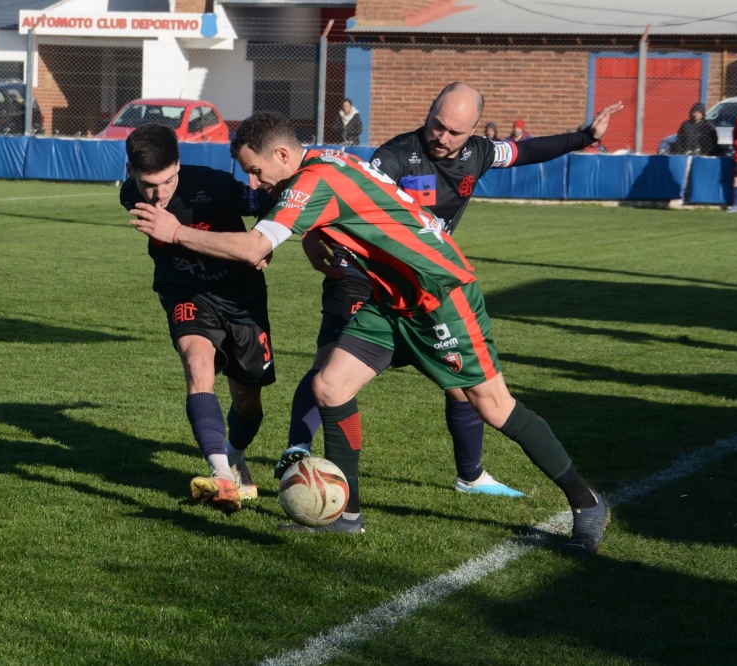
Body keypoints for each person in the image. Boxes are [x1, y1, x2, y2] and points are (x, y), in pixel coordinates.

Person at [128, 111, 611, 553]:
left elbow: (256, 245)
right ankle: (348, 513)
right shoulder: (324, 163)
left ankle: (587, 502)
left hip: (440, 296)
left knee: (493, 406)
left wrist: (176, 232)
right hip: (389, 299)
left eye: (255, 171)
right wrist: (321, 238)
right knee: (329, 384)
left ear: (280, 155)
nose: (254, 182)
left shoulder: (313, 179)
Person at [280, 82, 622, 499]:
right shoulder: (392, 157)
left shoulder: (479, 153)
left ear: (473, 130)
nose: (440, 137)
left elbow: (527, 152)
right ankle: (298, 451)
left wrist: (585, 137)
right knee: (329, 368)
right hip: (363, 276)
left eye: (453, 132)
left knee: (467, 387)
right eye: (436, 125)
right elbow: (345, 201)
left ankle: (473, 475)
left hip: (427, 290)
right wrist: (315, 236)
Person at [119, 123, 275, 515]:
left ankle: (236, 456)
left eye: (167, 181)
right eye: (147, 185)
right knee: (197, 363)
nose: (158, 195)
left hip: (242, 298)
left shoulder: (214, 184)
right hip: (184, 292)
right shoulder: (130, 195)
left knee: (248, 402)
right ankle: (221, 474)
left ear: (179, 165)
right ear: (131, 173)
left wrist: (263, 242)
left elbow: (269, 203)